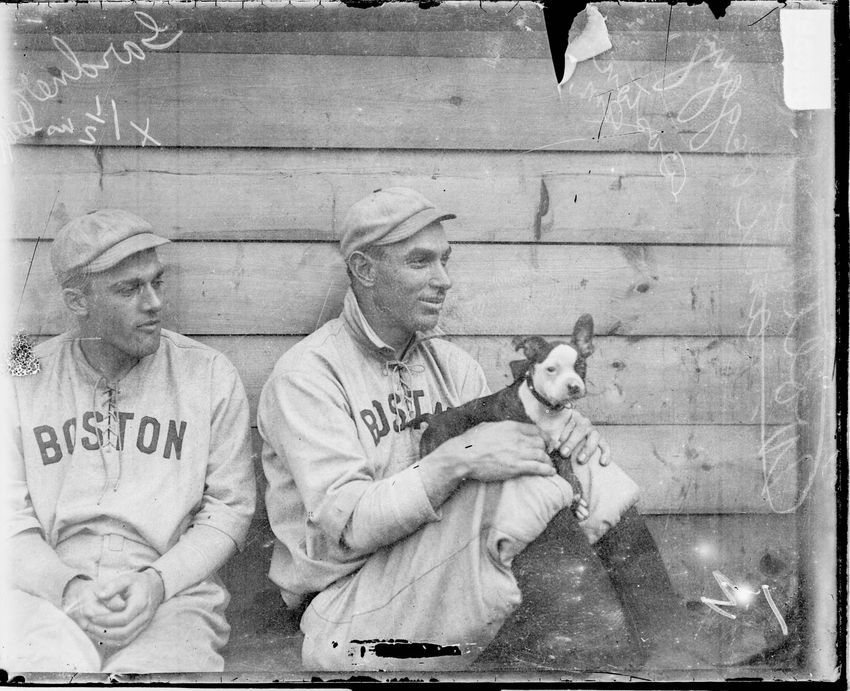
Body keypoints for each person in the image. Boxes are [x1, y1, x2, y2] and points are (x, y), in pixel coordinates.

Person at [258, 188, 762, 671]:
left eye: (445, 259)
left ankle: (667, 640)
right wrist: (462, 457)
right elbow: (347, 527)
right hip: (349, 610)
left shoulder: (452, 366)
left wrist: (560, 436)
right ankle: (610, 660)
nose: (443, 279)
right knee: (518, 473)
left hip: (445, 575)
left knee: (578, 457)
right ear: (365, 270)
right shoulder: (308, 377)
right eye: (420, 261)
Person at [2, 209, 256, 673]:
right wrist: (69, 588)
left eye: (158, 281)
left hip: (173, 595)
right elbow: (6, 519)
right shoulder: (22, 378)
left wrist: (157, 584)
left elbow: (230, 509)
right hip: (43, 593)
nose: (154, 302)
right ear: (78, 302)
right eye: (129, 288)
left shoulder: (207, 373)